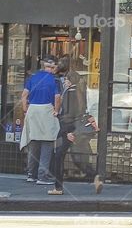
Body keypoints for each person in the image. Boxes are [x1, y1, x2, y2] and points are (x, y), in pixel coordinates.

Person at [49, 56, 98, 195]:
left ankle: (57, 187)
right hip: (74, 128)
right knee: (79, 158)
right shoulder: (79, 92)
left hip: (68, 128)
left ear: (70, 81)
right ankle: (95, 176)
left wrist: (67, 132)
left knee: (58, 156)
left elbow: (70, 114)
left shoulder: (70, 93)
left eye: (66, 80)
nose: (64, 82)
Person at [20, 56, 61, 185]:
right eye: (54, 67)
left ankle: (31, 174)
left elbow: (24, 95)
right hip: (47, 110)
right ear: (50, 67)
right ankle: (42, 176)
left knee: (34, 142)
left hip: (32, 110)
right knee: (47, 143)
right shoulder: (55, 80)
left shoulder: (32, 78)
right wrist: (56, 110)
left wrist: (25, 109)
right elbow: (57, 97)